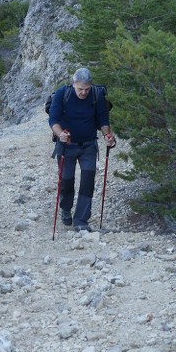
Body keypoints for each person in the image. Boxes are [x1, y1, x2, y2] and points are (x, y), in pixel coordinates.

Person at [49, 68, 116, 231]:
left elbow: (102, 119)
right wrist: (60, 134)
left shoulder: (96, 94)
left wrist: (107, 135)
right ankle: (65, 209)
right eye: (80, 89)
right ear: (74, 84)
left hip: (89, 145)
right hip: (67, 145)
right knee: (66, 180)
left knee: (87, 181)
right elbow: (53, 119)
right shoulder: (61, 94)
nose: (84, 92)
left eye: (86, 89)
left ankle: (81, 220)